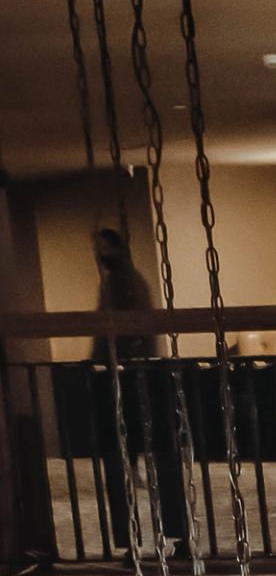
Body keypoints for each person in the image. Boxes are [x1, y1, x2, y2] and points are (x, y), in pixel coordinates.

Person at [89, 226, 188, 558]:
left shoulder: (123, 283)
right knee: (145, 460)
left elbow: (118, 333)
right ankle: (161, 536)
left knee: (139, 460)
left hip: (130, 377)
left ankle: (141, 538)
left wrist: (100, 364)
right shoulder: (122, 282)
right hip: (134, 375)